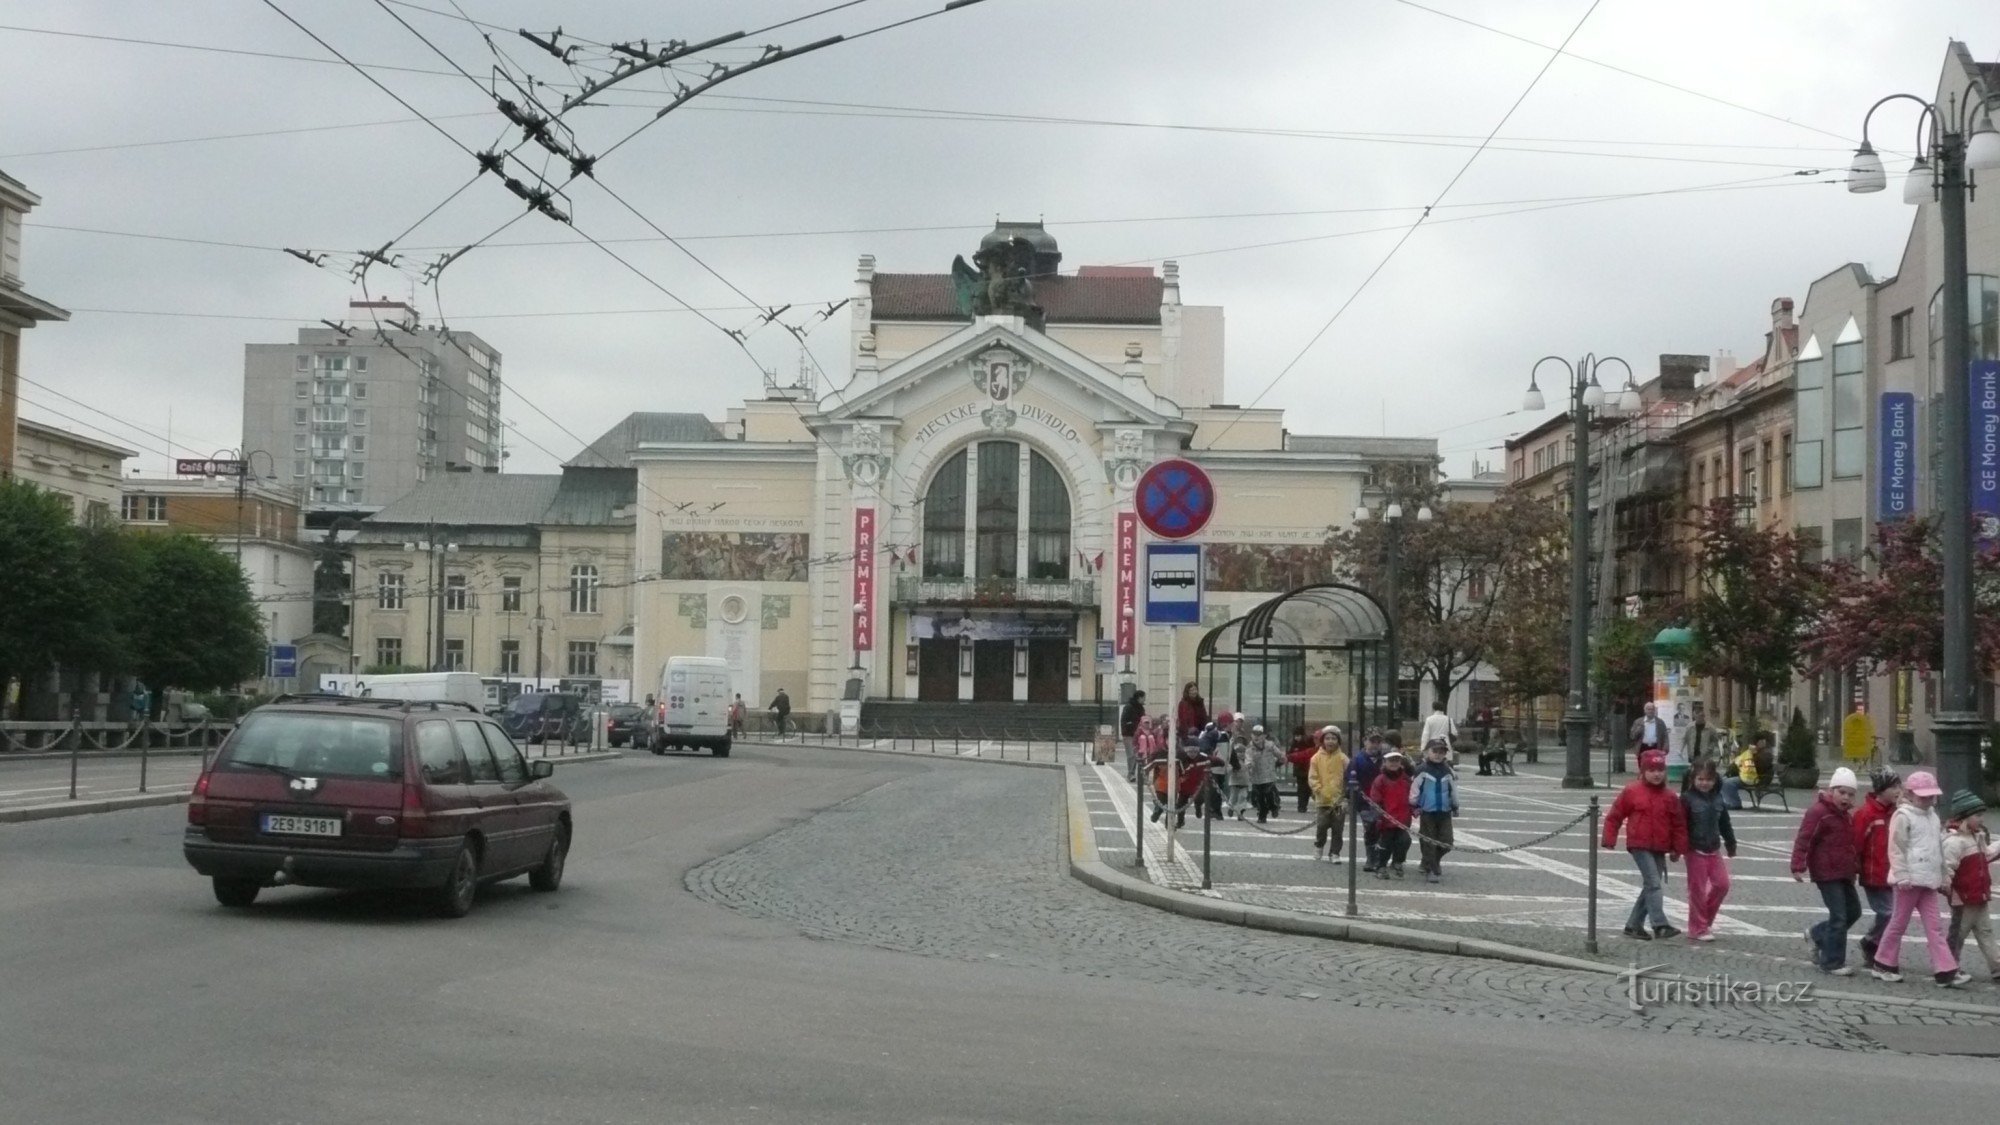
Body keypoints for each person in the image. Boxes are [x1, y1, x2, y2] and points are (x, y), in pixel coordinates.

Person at [1872, 770, 1969, 986]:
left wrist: (1943, 876)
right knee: (1899, 922)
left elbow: (1937, 850)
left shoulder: (1932, 817)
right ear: (1911, 794)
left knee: (1934, 926)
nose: (1927, 800)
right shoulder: (1903, 816)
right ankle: (1883, 962)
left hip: (1928, 880)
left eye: (1930, 796)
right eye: (1923, 796)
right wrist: (1902, 875)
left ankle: (1945, 969)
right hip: (1908, 881)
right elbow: (1896, 848)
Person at [1602, 749, 1688, 940]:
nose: (1656, 774)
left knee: (1651, 885)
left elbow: (1678, 825)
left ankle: (1633, 925)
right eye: (1652, 770)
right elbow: (1615, 816)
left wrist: (1678, 849)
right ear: (1643, 771)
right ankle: (1660, 925)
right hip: (1639, 844)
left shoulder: (1670, 796)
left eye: (1660, 770)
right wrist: (1609, 838)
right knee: (1654, 884)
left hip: (1660, 846)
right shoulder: (1632, 791)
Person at [1791, 766, 1862, 975]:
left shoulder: (1846, 816)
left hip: (1844, 872)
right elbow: (1805, 839)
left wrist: (1855, 867)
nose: (1846, 798)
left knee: (1853, 912)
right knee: (1839, 915)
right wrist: (1798, 865)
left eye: (1850, 794)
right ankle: (1831, 962)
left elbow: (1849, 844)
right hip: (1826, 872)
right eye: (1842, 792)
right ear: (1831, 791)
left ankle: (1817, 934)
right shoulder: (1819, 812)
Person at [1944, 789, 2000, 982]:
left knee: (1986, 933)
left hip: (1979, 896)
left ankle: (1996, 966)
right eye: (1978, 815)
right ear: (1965, 817)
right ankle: (1948, 965)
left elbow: (1986, 855)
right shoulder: (1954, 842)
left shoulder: (1977, 838)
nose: (1982, 819)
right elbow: (1947, 869)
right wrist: (1947, 888)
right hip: (1964, 900)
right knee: (1958, 935)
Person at [1680, 760, 1737, 942]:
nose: (1704, 783)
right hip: (1694, 849)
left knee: (1722, 885)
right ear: (1693, 779)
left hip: (1714, 849)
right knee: (1697, 890)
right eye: (1700, 779)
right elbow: (1680, 826)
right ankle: (1697, 928)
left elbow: (1725, 824)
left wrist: (1731, 842)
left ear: (1715, 780)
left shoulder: (1719, 798)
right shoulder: (1687, 799)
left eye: (1709, 779)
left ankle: (1704, 920)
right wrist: (1677, 847)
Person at [1853, 767, 1902, 969]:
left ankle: (1875, 946)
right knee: (1889, 913)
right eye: (1893, 786)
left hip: (1893, 874)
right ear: (1881, 789)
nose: (1898, 790)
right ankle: (1872, 943)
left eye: (1899, 785)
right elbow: (1855, 844)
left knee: (1893, 914)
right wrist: (1854, 869)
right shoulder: (1866, 814)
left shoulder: (1896, 813)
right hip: (1873, 875)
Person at [1412, 739, 1458, 883]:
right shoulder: (1422, 769)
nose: (1438, 755)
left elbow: (1453, 790)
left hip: (1444, 811)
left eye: (1441, 752)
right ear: (1427, 752)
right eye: (1435, 751)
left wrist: (1455, 805)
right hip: (1427, 811)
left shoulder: (1448, 770)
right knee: (1429, 841)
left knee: (1447, 842)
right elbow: (1414, 789)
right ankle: (1431, 868)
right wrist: (1414, 805)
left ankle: (1431, 860)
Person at [1366, 749, 1415, 879]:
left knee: (1404, 841)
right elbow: (1375, 798)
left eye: (1397, 760)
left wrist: (1415, 808)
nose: (1394, 763)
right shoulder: (1380, 780)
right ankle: (1381, 866)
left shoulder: (1406, 779)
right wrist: (1379, 815)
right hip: (1386, 820)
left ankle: (1397, 862)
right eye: (1391, 760)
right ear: (1385, 762)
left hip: (1403, 819)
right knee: (1385, 844)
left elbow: (1413, 796)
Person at [1309, 727, 1350, 861]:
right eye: (1327, 738)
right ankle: (1319, 845)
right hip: (1322, 800)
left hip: (1338, 801)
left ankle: (1335, 852)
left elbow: (1348, 778)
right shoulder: (1316, 758)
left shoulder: (1343, 759)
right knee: (1321, 826)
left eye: (1334, 738)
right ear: (1322, 740)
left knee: (1338, 829)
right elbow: (1313, 777)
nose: (1330, 741)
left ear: (1338, 741)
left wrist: (1344, 796)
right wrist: (1318, 789)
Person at [1348, 732, 1386, 871]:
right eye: (1372, 741)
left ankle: (1382, 858)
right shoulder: (1357, 760)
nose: (1375, 744)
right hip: (1365, 801)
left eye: (1378, 741)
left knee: (1384, 830)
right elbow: (1349, 781)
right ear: (1365, 742)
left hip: (1384, 802)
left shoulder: (1385, 759)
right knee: (1370, 828)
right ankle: (1371, 859)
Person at [1246, 723, 1285, 823]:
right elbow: (1248, 758)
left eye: (1259, 734)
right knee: (1259, 797)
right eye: (1254, 734)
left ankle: (1274, 807)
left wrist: (1282, 757)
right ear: (1251, 735)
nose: (1256, 737)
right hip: (1257, 776)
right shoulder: (1250, 748)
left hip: (1268, 775)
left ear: (1264, 736)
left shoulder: (1269, 745)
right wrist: (1249, 764)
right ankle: (1262, 816)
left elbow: (1279, 753)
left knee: (1269, 794)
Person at [1721, 733, 1771, 810]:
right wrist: (1728, 773)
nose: (1760, 744)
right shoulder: (1749, 752)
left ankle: (1735, 804)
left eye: (1762, 742)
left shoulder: (1766, 753)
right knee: (1722, 780)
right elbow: (1739, 763)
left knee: (1729, 783)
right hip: (1748, 776)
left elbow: (1762, 767)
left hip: (1758, 778)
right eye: (1759, 742)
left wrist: (1754, 755)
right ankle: (1728, 801)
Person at [1287, 726, 1319, 812]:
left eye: (1298, 736)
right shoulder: (1294, 744)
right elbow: (1291, 754)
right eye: (1295, 736)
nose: (1296, 738)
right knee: (1301, 790)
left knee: (1308, 789)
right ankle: (1301, 806)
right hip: (1299, 770)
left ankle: (1307, 805)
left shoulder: (1308, 742)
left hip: (1308, 769)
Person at [1119, 690, 1147, 782]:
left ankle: (1140, 774)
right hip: (1129, 734)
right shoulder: (1129, 707)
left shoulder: (1141, 708)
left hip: (1139, 734)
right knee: (1131, 754)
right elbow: (1123, 721)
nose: (1144, 700)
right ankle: (1131, 773)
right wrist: (1127, 731)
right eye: (1143, 698)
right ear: (1139, 698)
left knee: (1140, 754)